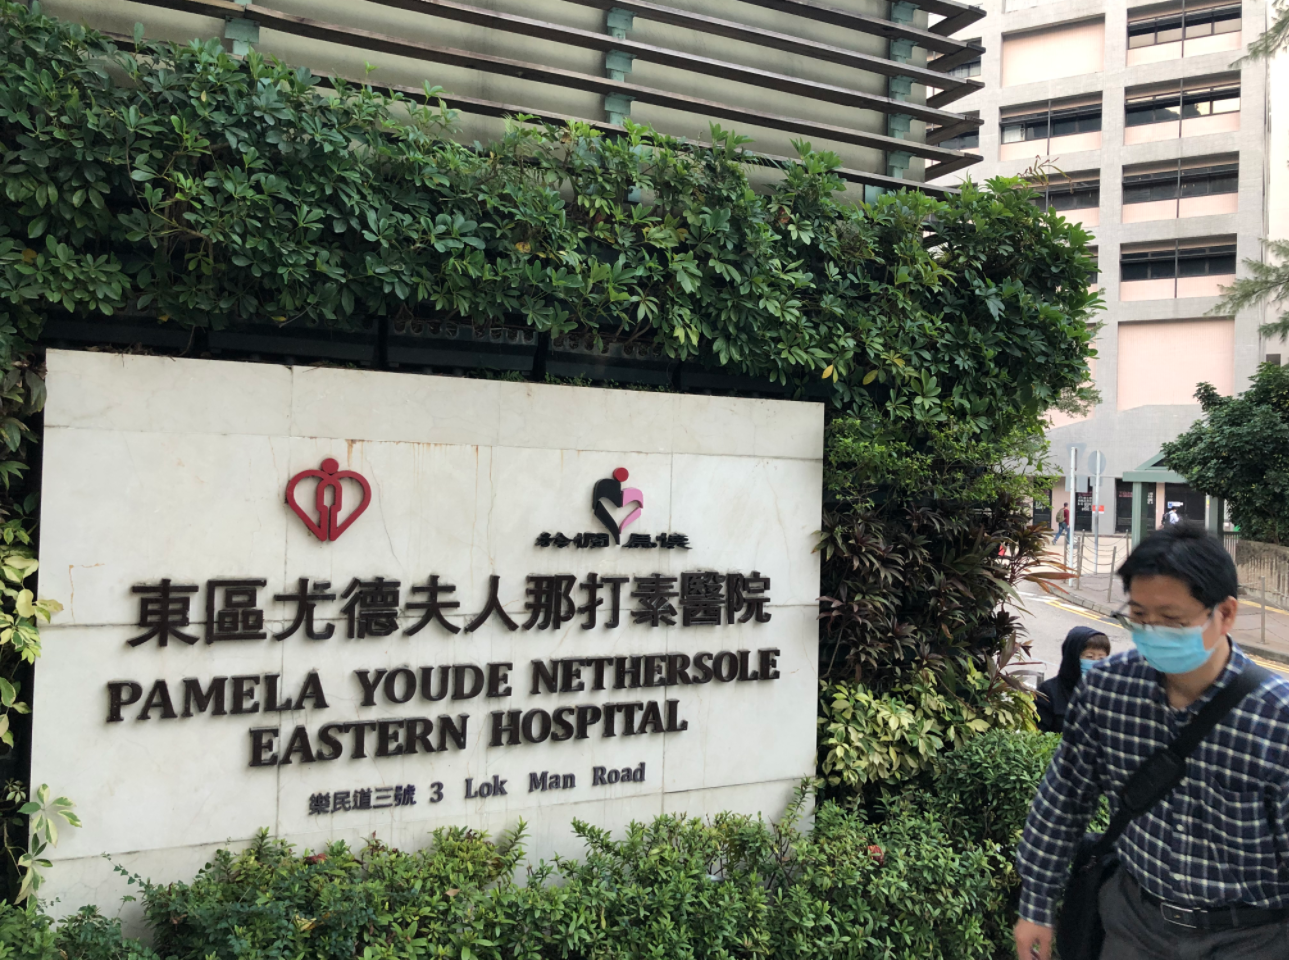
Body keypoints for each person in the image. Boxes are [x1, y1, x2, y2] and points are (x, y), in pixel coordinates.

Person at [1014, 523, 1289, 960]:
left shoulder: (1275, 719)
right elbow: (1064, 799)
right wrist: (1036, 905)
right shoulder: (1107, 691)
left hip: (1251, 938)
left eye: (1173, 620)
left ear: (1225, 614)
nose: (1153, 632)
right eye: (1140, 617)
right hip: (1135, 924)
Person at [1035, 626, 1111, 733]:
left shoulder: (1108, 692)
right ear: (1073, 657)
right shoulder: (1047, 691)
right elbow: (1037, 735)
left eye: (1101, 658)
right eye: (1089, 657)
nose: (1096, 663)